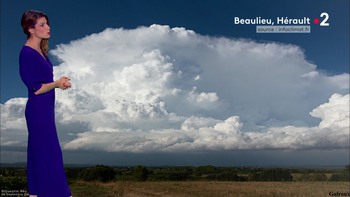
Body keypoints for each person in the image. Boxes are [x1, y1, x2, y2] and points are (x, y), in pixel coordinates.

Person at [19, 10, 72, 197]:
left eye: (47, 23)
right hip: (38, 111)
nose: (48, 27)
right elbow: (36, 88)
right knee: (49, 152)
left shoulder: (41, 51)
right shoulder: (27, 54)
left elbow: (44, 83)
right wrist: (57, 83)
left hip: (46, 109)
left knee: (40, 152)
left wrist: (59, 84)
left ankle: (36, 192)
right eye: (42, 24)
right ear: (30, 29)